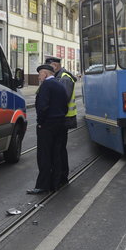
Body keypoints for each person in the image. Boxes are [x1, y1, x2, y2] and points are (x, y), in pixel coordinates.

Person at [27, 63, 68, 194]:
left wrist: (40, 122)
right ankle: (57, 182)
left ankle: (43, 185)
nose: (39, 77)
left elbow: (42, 106)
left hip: (47, 125)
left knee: (44, 155)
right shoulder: (60, 85)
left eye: (40, 74)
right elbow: (65, 105)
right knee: (57, 153)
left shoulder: (46, 86)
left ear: (45, 74)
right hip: (60, 123)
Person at [46, 56, 76, 188]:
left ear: (55, 65)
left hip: (64, 119)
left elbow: (63, 98)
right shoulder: (59, 77)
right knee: (59, 149)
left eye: (49, 67)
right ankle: (61, 176)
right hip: (61, 118)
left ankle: (62, 177)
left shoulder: (64, 78)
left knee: (59, 149)